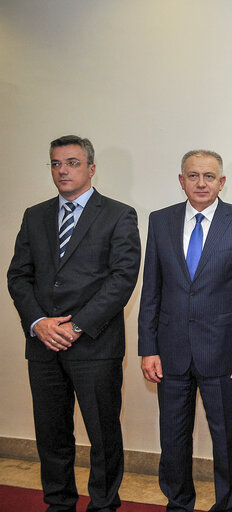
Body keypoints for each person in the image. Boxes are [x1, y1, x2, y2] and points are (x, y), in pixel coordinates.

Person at [7, 135, 141, 511]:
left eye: (72, 162)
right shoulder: (35, 215)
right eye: (55, 163)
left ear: (91, 168)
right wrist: (39, 323)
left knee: (103, 436)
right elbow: (18, 276)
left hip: (94, 346)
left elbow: (122, 280)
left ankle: (103, 504)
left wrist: (75, 326)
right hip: (43, 345)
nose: (62, 170)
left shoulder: (118, 214)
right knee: (51, 435)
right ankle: (59, 503)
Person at [138, 150, 232, 512]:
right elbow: (151, 290)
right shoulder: (160, 221)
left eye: (209, 176)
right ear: (181, 181)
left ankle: (228, 506)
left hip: (225, 356)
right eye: (192, 176)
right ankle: (178, 504)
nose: (201, 183)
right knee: (173, 442)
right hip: (170, 353)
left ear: (222, 182)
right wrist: (148, 347)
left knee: (227, 442)